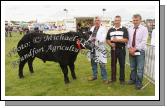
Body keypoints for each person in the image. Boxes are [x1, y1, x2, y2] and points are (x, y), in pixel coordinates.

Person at [127, 14, 148, 89]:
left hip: (140, 51)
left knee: (140, 68)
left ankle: (139, 83)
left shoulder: (144, 29)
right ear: (132, 20)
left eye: (137, 20)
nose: (135, 22)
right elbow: (128, 40)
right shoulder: (129, 29)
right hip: (131, 51)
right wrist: (129, 48)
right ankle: (132, 79)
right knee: (132, 67)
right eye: (134, 20)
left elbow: (144, 41)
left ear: (140, 20)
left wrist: (134, 49)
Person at [106, 15, 128, 84]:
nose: (117, 22)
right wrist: (110, 44)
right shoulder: (110, 29)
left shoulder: (124, 29)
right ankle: (113, 79)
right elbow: (107, 39)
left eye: (118, 20)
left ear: (120, 21)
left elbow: (126, 40)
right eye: (116, 20)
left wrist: (117, 40)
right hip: (113, 49)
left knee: (122, 65)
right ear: (114, 21)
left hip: (121, 49)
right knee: (113, 64)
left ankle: (122, 80)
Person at [88, 16, 108, 84]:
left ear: (100, 21)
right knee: (93, 62)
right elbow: (89, 37)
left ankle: (104, 78)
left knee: (101, 63)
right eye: (96, 20)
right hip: (92, 48)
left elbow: (103, 39)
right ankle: (94, 75)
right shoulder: (92, 28)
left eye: (98, 20)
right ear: (94, 21)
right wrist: (89, 40)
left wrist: (96, 39)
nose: (97, 21)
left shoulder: (103, 29)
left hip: (99, 48)